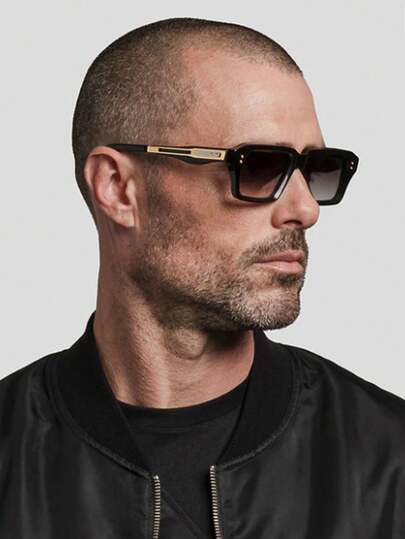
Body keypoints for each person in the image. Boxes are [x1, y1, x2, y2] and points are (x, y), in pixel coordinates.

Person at [0, 16, 404, 539]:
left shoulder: (389, 463)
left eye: (318, 169)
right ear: (118, 188)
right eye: (258, 166)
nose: (305, 210)